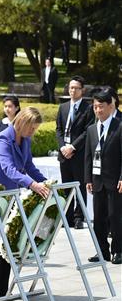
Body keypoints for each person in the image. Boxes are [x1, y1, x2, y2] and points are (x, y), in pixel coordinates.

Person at [0, 107, 51, 297]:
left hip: (10, 194)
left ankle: (1, 288)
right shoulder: (2, 139)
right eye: (31, 128)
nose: (32, 133)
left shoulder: (25, 140)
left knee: (7, 239)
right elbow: (9, 169)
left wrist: (45, 183)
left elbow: (29, 166)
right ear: (22, 122)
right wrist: (33, 185)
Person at [84, 89, 122, 265]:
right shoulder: (91, 129)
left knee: (116, 216)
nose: (98, 110)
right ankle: (102, 251)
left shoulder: (119, 127)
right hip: (97, 180)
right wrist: (88, 179)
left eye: (101, 107)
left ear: (110, 106)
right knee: (98, 218)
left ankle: (118, 250)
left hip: (115, 181)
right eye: (95, 107)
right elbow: (88, 157)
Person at [56, 76, 95, 229]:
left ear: (82, 90)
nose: (73, 91)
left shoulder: (88, 108)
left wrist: (72, 147)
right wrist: (62, 148)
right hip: (64, 153)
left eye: (76, 88)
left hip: (78, 153)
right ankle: (68, 217)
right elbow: (58, 129)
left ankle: (79, 217)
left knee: (79, 185)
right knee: (66, 186)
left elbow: (87, 131)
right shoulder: (63, 107)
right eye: (71, 88)